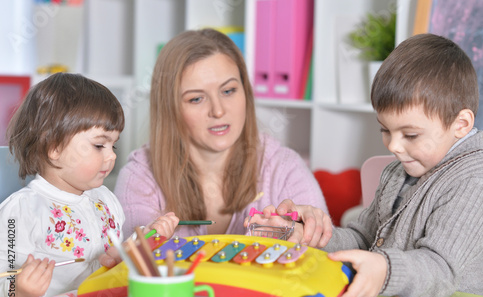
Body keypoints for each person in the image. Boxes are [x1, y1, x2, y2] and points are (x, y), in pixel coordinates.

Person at [302, 34, 483, 297]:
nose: (394, 146)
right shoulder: (399, 172)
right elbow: (364, 238)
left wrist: (384, 270)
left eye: (411, 135)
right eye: (385, 130)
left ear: (461, 124)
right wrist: (313, 237)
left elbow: (440, 269)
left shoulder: (474, 183)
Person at [114, 28, 332, 247]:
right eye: (196, 98)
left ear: (245, 92)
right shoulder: (139, 176)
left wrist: (309, 233)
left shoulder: (284, 168)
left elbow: (321, 260)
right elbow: (136, 268)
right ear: (169, 108)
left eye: (228, 91)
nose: (218, 111)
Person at [0, 73, 179, 297]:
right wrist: (18, 291)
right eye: (99, 145)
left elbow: (114, 258)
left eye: (112, 145)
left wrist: (145, 239)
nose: (112, 155)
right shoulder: (22, 210)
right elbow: (4, 280)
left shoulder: (106, 200)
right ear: (54, 146)